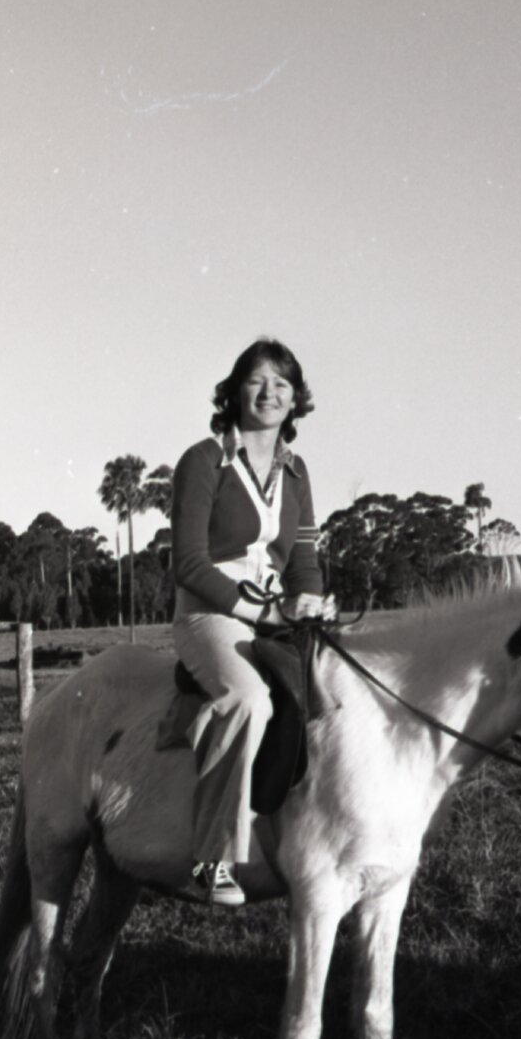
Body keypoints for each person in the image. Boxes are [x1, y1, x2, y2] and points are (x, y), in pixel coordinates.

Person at [170, 337, 332, 905]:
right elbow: (187, 563)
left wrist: (310, 601)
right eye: (258, 381)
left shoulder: (297, 472)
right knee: (248, 701)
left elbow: (305, 562)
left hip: (277, 618)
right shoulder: (202, 461)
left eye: (282, 385)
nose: (270, 393)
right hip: (211, 616)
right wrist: (261, 610)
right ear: (235, 392)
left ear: (296, 401)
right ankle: (210, 858)